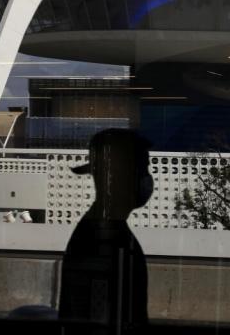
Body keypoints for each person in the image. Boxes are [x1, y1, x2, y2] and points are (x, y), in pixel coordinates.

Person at [58, 129, 153, 334]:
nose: (147, 179)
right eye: (143, 169)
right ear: (121, 176)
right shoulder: (104, 241)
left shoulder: (99, 233)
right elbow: (96, 321)